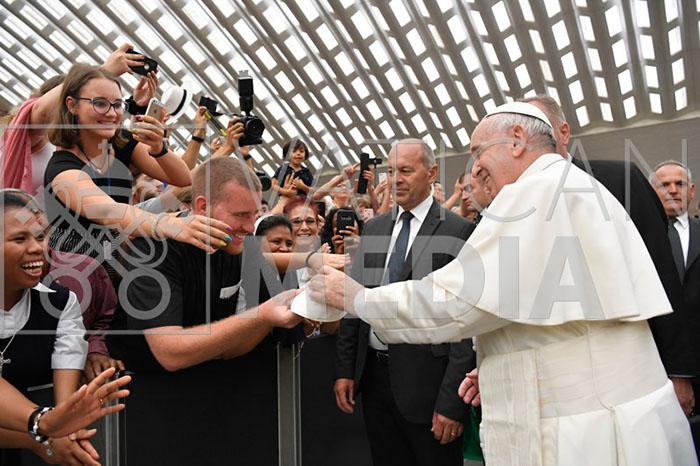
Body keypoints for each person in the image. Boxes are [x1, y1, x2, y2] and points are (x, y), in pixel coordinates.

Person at [306, 102, 696, 465]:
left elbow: (456, 302)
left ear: (517, 140)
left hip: (581, 429)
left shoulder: (533, 192)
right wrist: (499, 364)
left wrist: (358, 299)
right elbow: (558, 316)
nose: (475, 169)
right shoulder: (574, 186)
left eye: (479, 152)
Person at [106, 157, 301, 463]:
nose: (250, 227)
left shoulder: (239, 246)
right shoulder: (153, 249)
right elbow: (169, 352)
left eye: (255, 214)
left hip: (209, 409)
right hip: (140, 416)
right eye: (240, 215)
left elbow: (233, 347)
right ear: (201, 206)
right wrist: (262, 315)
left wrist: (292, 309)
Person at [523, 95, 697, 416]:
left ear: (563, 133)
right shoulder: (515, 202)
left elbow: (660, 272)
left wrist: (678, 371)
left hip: (635, 367)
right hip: (559, 381)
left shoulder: (619, 180)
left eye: (538, 128)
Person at [333, 139, 476, 466]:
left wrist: (452, 403)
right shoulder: (374, 228)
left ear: (432, 173)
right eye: (391, 171)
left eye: (406, 171)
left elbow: (466, 323)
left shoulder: (459, 231)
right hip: (374, 381)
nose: (396, 179)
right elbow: (354, 298)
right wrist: (345, 368)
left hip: (429, 388)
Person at [43, 63, 232, 285]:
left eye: (117, 105)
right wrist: (173, 225)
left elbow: (183, 178)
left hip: (111, 270)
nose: (111, 113)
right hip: (72, 277)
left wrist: (159, 148)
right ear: (72, 105)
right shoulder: (62, 168)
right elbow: (108, 211)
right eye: (100, 103)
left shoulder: (122, 142)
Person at [0, 190, 95, 464]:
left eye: (41, 237)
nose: (37, 248)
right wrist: (42, 433)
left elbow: (62, 411)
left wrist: (64, 431)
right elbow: (49, 425)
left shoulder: (60, 302)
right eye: (20, 239)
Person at [651, 161, 700, 415]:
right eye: (664, 185)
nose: (672, 190)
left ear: (691, 190)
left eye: (679, 184)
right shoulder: (638, 236)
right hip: (657, 365)